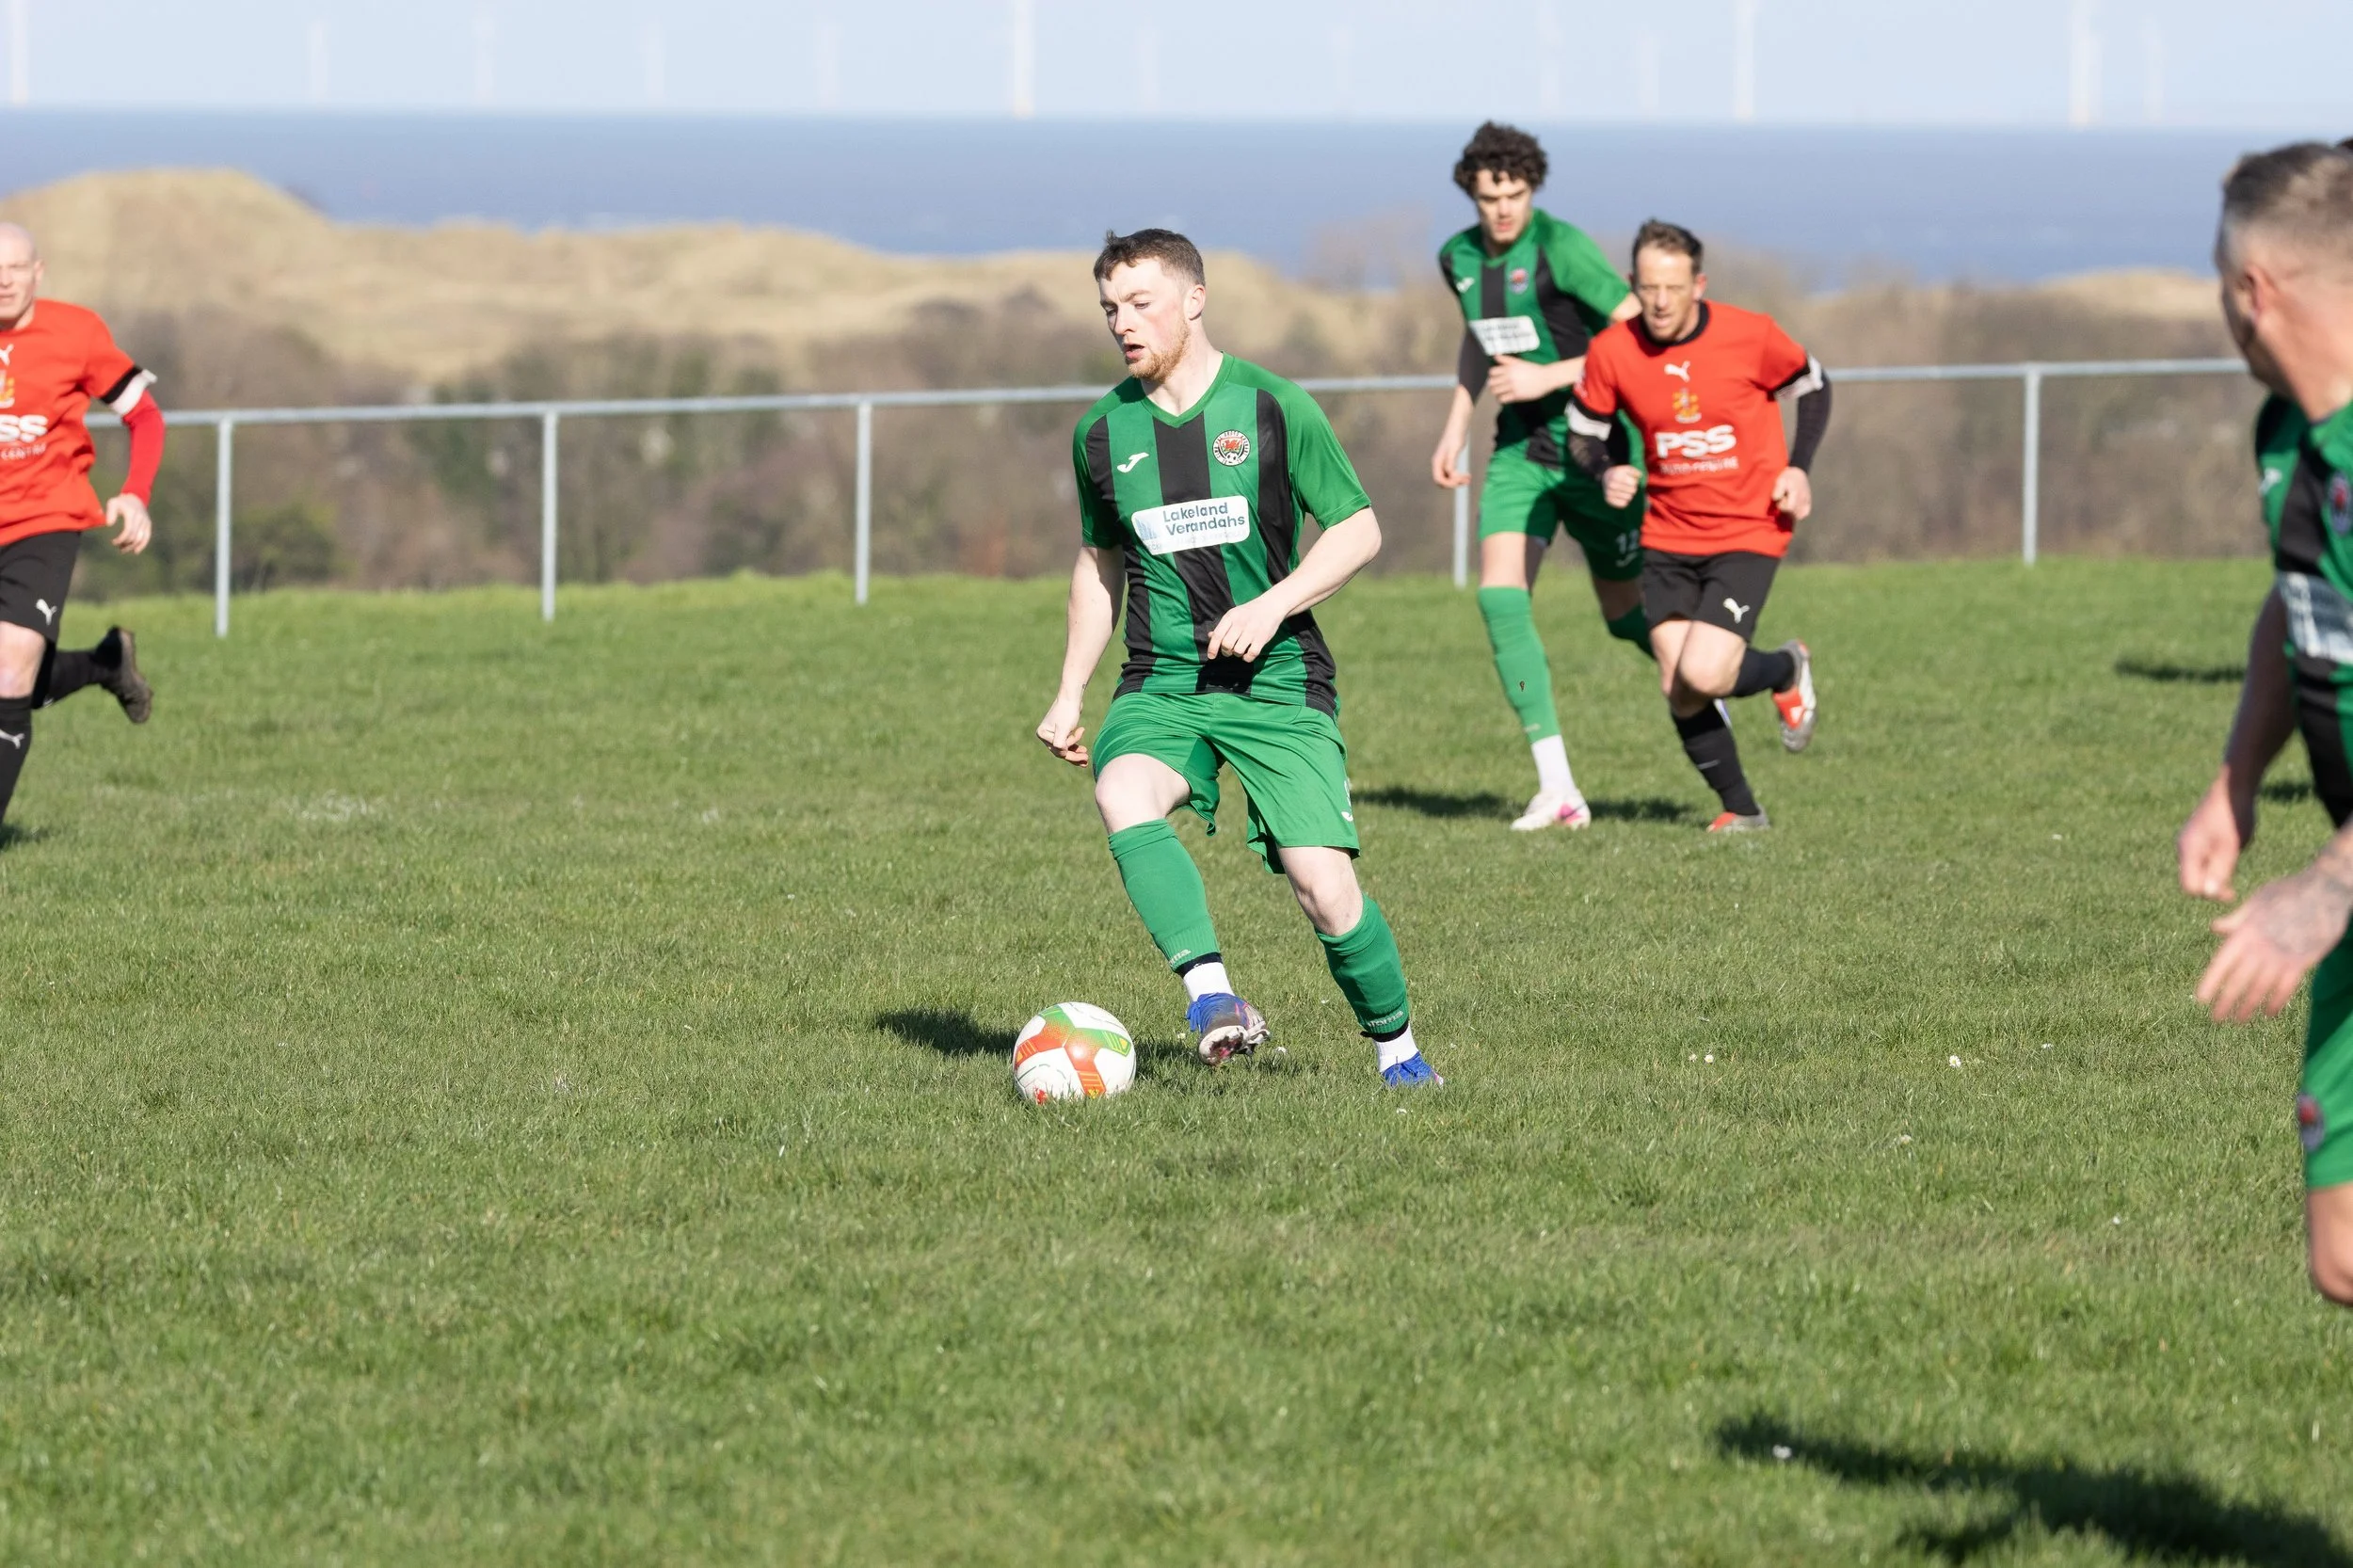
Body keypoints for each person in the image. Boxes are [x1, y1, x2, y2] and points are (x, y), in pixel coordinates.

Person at [1035, 228, 1440, 1088]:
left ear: (1194, 298)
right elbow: (1099, 563)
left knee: (1323, 891)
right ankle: (1211, 994)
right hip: (1162, 679)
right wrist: (1070, 689)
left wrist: (1272, 603)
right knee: (1120, 790)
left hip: (1277, 680)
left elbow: (1360, 529)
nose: (1124, 323)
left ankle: (1398, 1053)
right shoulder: (1102, 433)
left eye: (1141, 303)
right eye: (1111, 308)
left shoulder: (1273, 407)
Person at [2179, 139, 2353, 1304]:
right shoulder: (2289, 437)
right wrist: (2237, 776)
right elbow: (2297, 603)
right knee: (2342, 1256)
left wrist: (2321, 889)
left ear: (2254, 289)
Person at [1564, 220, 1826, 832]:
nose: (1660, 301)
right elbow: (1582, 433)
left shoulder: (1750, 335)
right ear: (1634, 283)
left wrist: (1799, 468)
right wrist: (1605, 470)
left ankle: (1786, 668)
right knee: (1679, 685)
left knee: (1705, 672)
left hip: (1748, 528)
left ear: (1698, 285)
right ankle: (1741, 811)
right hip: (1667, 535)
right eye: (1649, 287)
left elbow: (1814, 385)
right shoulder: (1614, 350)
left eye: (1673, 288)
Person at [1429, 121, 1646, 832]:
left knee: (1629, 621)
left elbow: (1641, 333)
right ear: (1472, 190)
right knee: (1499, 599)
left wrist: (1550, 374)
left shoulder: (1561, 246)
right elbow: (1477, 338)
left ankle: (1737, 673)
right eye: (1490, 195)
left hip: (1596, 447)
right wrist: (1457, 426)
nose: (1503, 208)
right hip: (1521, 449)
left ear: (1532, 189)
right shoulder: (1457, 258)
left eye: (1515, 193)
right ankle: (1558, 788)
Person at [0, 221, 157, 830]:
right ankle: (103, 665)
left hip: (44, 522)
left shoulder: (77, 332)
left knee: (9, 668)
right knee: (12, 680)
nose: (3, 280)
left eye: (15, 268)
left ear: (39, 273)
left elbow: (144, 417)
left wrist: (135, 495)